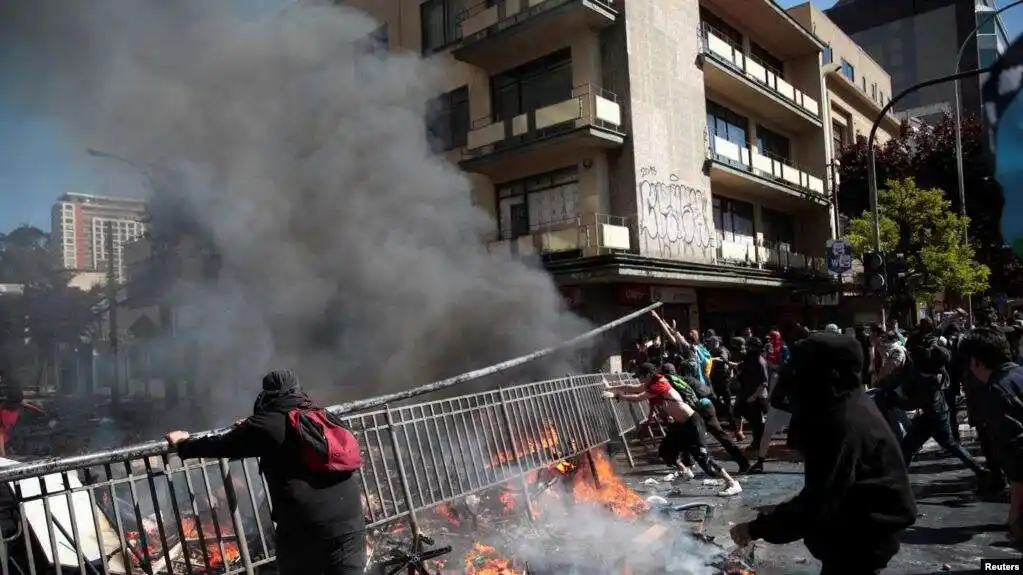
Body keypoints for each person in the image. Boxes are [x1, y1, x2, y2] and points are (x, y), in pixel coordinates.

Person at [729, 332, 917, 574]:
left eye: (803, 370)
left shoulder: (842, 422)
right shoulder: (846, 401)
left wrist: (757, 529)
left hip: (864, 535)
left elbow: (820, 500)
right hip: (858, 526)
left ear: (825, 374)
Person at [165, 369, 366, 574]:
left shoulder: (267, 424)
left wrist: (183, 444)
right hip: (350, 521)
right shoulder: (320, 415)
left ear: (267, 394)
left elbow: (221, 444)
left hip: (304, 529)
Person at [605, 363, 742, 497]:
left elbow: (638, 397)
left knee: (704, 460)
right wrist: (611, 387)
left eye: (640, 376)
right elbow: (634, 387)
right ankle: (685, 472)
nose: (639, 380)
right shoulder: (652, 382)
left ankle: (732, 483)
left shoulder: (659, 384)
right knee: (666, 451)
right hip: (680, 424)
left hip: (692, 423)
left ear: (648, 375)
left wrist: (618, 396)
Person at [899, 320, 994, 486]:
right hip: (935, 415)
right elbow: (936, 338)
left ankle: (899, 481)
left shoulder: (924, 379)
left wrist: (894, 401)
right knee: (918, 446)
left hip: (933, 417)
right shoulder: (935, 370)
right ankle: (980, 471)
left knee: (912, 446)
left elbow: (911, 403)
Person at [960, 327, 1023, 546]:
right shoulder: (1019, 374)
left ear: (976, 362)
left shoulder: (996, 392)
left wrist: (1015, 512)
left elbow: (1018, 456)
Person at [664, 362, 750, 472]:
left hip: (698, 411)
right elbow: (708, 391)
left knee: (684, 433)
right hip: (707, 406)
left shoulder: (672, 383)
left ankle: (687, 464)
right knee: (720, 435)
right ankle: (743, 462)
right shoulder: (691, 380)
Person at [734, 337, 769, 450]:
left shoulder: (760, 361)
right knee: (740, 413)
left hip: (757, 396)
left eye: (749, 346)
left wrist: (754, 396)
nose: (747, 349)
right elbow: (742, 367)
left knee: (757, 422)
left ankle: (758, 443)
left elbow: (764, 382)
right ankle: (758, 441)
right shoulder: (750, 359)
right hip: (748, 394)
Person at [0, 369, 44, 457]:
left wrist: (41, 411)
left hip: (14, 443)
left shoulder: (16, 404)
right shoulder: (4, 412)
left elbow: (23, 403)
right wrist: (3, 453)